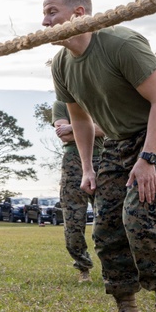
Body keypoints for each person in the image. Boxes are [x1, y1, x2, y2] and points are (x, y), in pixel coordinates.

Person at [43, 0, 156, 312]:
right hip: (117, 142)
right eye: (44, 13)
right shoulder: (62, 64)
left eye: (52, 12)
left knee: (139, 217)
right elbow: (79, 119)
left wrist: (148, 159)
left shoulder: (121, 43)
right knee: (107, 226)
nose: (45, 21)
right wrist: (88, 168)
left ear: (78, 14)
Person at [52, 100, 104, 282]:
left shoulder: (100, 97)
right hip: (73, 163)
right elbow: (64, 136)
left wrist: (71, 127)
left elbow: (109, 129)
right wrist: (91, 129)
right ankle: (83, 268)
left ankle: (112, 268)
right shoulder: (61, 104)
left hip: (104, 162)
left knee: (108, 220)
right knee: (73, 221)